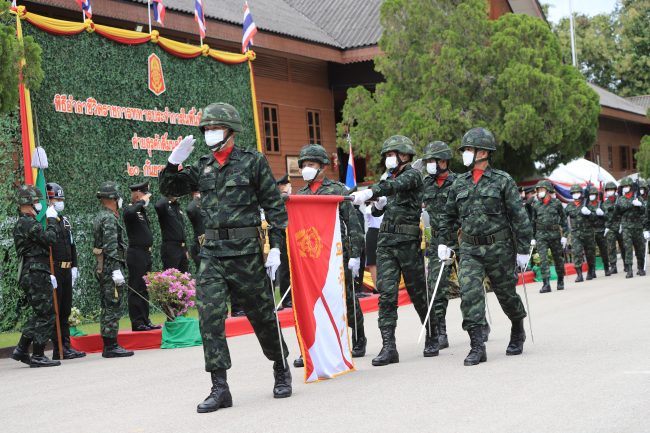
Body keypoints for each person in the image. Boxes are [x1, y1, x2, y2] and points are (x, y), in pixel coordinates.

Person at [159, 102, 291, 413]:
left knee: (262, 316)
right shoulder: (202, 166)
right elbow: (168, 188)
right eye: (205, 129)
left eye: (213, 128)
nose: (208, 133)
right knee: (209, 319)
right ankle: (220, 387)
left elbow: (275, 207)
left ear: (230, 131)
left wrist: (275, 247)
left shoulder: (253, 162)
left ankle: (280, 368)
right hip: (213, 254)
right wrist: (172, 162)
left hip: (245, 253)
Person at [438, 128, 533, 366]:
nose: (465, 154)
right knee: (469, 294)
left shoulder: (503, 180)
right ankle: (477, 346)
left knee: (506, 295)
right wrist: (444, 243)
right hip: (470, 249)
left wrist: (523, 249)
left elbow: (519, 216)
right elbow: (448, 217)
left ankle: (517, 326)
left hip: (499, 247)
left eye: (469, 149)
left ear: (483, 152)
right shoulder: (459, 183)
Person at [351, 135, 437, 366]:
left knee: (418, 292)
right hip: (386, 242)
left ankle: (432, 334)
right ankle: (389, 347)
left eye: (392, 154)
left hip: (408, 242)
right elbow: (379, 213)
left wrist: (372, 192)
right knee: (386, 295)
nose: (389, 159)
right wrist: (377, 205)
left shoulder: (412, 175)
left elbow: (394, 186)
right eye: (387, 155)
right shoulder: (389, 178)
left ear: (405, 155)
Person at [294, 144, 366, 368]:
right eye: (304, 165)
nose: (307, 168)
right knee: (314, 301)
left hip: (337, 254)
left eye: (311, 164)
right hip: (312, 256)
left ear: (323, 167)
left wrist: (355, 255)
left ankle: (358, 336)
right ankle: (316, 345)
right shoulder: (301, 195)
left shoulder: (338, 191)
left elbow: (353, 225)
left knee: (345, 297)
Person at [11, 186, 61, 367]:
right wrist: (52, 220)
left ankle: (22, 349)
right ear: (29, 203)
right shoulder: (28, 223)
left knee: (40, 312)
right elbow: (49, 239)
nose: (39, 204)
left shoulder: (26, 222)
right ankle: (38, 354)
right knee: (47, 313)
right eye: (37, 201)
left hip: (34, 270)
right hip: (35, 271)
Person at [420, 141, 457, 349]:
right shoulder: (426, 183)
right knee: (435, 286)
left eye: (433, 161)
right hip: (437, 243)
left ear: (444, 161)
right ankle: (441, 331)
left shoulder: (459, 182)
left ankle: (477, 322)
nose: (430, 165)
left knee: (470, 286)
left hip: (460, 240)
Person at [93, 181, 134, 358]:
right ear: (113, 198)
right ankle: (111, 346)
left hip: (105, 268)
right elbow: (110, 247)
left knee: (108, 305)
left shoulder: (102, 216)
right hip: (111, 268)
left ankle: (110, 343)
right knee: (112, 305)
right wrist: (116, 269)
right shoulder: (109, 218)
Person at [46, 182, 86, 359]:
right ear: (49, 200)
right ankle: (58, 348)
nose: (60, 202)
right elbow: (45, 247)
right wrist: (49, 271)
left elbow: (72, 244)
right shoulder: (47, 220)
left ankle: (67, 346)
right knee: (57, 310)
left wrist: (75, 265)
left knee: (65, 310)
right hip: (55, 269)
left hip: (67, 269)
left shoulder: (64, 220)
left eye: (61, 198)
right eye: (57, 198)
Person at [123, 181, 160, 332]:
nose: (147, 198)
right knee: (136, 288)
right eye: (145, 195)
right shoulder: (130, 209)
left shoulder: (141, 211)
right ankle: (137, 322)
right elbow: (130, 213)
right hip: (136, 253)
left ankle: (145, 319)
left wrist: (142, 204)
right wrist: (142, 202)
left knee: (144, 288)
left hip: (145, 253)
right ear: (138, 194)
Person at [531, 180, 568, 293]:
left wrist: (565, 235)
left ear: (547, 191)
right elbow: (533, 222)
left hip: (555, 235)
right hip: (541, 235)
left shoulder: (556, 203)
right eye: (538, 190)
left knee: (558, 259)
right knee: (543, 260)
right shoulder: (536, 205)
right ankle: (546, 284)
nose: (539, 192)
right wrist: (532, 237)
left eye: (542, 190)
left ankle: (560, 280)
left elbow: (563, 219)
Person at [614, 177, 646, 278]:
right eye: (624, 186)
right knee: (627, 248)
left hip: (637, 227)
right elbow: (617, 213)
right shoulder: (620, 199)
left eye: (627, 186)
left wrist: (640, 205)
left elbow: (643, 211)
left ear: (631, 187)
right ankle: (629, 270)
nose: (625, 188)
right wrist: (620, 224)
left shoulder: (638, 198)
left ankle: (640, 268)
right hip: (626, 227)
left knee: (639, 248)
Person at [565, 184, 596, 282]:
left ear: (581, 194)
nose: (575, 194)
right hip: (575, 233)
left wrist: (589, 213)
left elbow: (595, 218)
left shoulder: (588, 204)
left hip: (588, 232)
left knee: (590, 253)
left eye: (577, 192)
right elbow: (562, 217)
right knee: (576, 253)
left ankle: (591, 271)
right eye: (573, 193)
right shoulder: (569, 206)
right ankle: (579, 274)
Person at [155, 195, 189, 273]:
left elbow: (181, 229)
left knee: (184, 278)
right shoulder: (164, 205)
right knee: (171, 277)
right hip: (171, 247)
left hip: (182, 247)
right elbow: (158, 205)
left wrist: (185, 248)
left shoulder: (177, 206)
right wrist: (168, 196)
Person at [275, 174, 292, 310]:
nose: (288, 187)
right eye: (285, 185)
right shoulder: (277, 199)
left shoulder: (290, 199)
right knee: (283, 270)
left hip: (292, 237)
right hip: (279, 238)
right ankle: (285, 299)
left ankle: (291, 297)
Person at [587, 186, 611, 277]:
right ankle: (592, 270)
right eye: (590, 194)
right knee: (590, 252)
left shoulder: (602, 205)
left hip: (601, 230)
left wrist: (602, 214)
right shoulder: (586, 206)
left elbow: (608, 217)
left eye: (593, 194)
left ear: (596, 195)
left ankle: (606, 268)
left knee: (604, 251)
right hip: (590, 231)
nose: (591, 196)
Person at [603, 181, 625, 274]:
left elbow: (623, 212)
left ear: (615, 190)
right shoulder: (605, 203)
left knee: (624, 246)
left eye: (612, 189)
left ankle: (626, 264)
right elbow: (606, 214)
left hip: (620, 225)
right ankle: (613, 266)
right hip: (610, 227)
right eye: (608, 190)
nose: (610, 191)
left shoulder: (620, 200)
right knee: (611, 247)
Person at [186, 190, 205, 272]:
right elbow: (190, 209)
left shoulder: (204, 203)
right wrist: (197, 199)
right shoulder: (195, 205)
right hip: (201, 240)